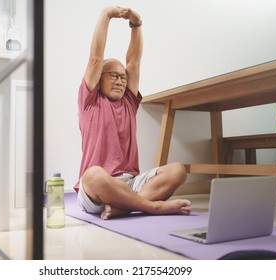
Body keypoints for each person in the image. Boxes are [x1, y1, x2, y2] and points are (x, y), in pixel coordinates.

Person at [74, 6, 191, 220]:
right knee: (92, 175)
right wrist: (107, 15)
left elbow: (134, 63)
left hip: (132, 183)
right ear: (99, 79)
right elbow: (95, 59)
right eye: (113, 76)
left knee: (178, 170)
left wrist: (136, 25)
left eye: (123, 77)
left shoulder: (129, 101)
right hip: (99, 189)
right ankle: (152, 207)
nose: (120, 81)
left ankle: (124, 207)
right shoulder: (90, 101)